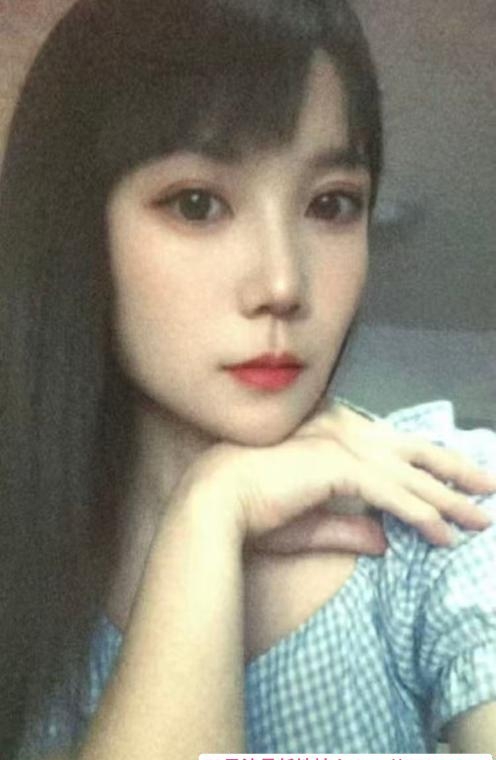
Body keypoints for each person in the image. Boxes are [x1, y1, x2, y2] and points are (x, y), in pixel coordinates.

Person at [1, 0, 495, 757]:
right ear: (76, 230)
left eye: (331, 204)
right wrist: (207, 517)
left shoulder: (448, 501)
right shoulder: (21, 555)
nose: (283, 283)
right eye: (197, 204)